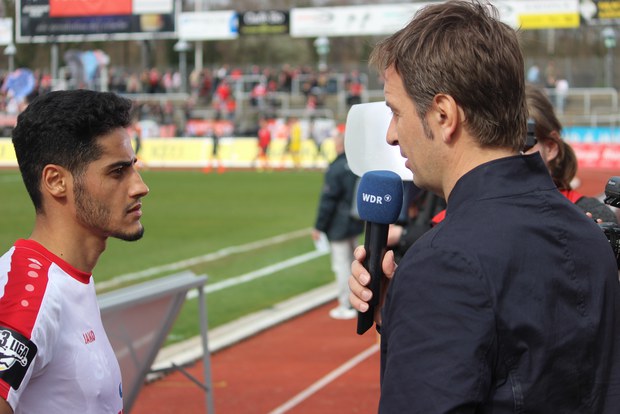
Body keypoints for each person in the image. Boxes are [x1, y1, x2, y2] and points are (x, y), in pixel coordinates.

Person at [348, 1, 620, 412]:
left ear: (444, 115)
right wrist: (402, 314)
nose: (391, 135)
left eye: (396, 112)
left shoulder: (443, 263)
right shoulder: (588, 232)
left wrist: (421, 298)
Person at [0, 90, 149, 413]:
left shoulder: (69, 278)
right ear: (56, 181)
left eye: (133, 168)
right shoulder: (29, 295)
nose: (140, 187)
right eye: (117, 172)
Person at [524, 84, 617, 223]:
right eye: (498, 144)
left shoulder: (591, 214)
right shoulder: (490, 208)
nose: (510, 155)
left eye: (523, 144)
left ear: (550, 147)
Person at [312, 130, 364, 320]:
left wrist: (319, 226)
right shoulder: (356, 165)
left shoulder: (335, 168)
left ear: (339, 145)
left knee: (342, 265)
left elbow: (328, 200)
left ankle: (346, 304)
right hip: (354, 219)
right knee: (353, 263)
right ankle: (358, 300)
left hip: (339, 223)